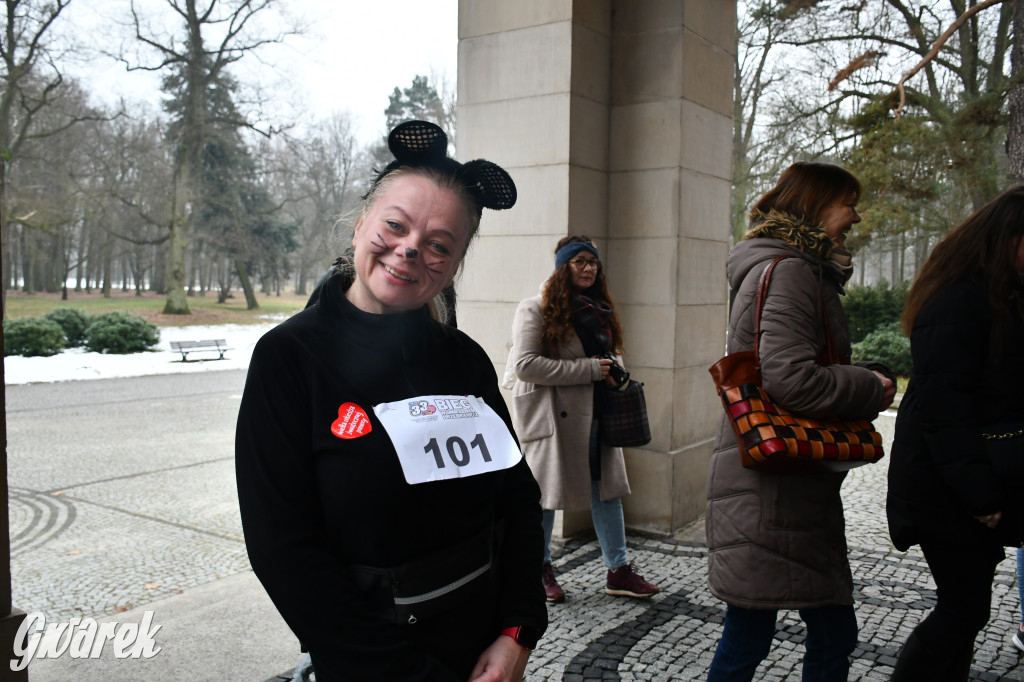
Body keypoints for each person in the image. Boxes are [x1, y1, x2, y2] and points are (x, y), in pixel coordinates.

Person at [235, 120, 547, 682]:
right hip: (370, 666)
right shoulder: (289, 359)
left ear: (453, 265)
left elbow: (517, 499)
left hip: (485, 660)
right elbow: (284, 548)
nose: (409, 250)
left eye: (438, 245)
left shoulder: (465, 361)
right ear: (359, 227)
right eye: (395, 226)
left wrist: (518, 630)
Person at [704, 161, 896, 681]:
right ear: (815, 205)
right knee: (789, 634)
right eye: (847, 203)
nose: (855, 216)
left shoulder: (789, 265)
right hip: (775, 490)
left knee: (764, 632)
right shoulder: (791, 270)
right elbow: (791, 379)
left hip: (778, 486)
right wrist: (870, 386)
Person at [886, 185, 1024, 680]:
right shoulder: (956, 301)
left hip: (968, 484)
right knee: (963, 610)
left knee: (967, 610)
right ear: (1009, 238)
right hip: (943, 489)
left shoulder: (1000, 293)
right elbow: (945, 413)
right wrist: (980, 495)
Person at [509, 235, 659, 603]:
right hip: (554, 418)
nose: (588, 268)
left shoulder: (599, 309)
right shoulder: (535, 308)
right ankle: (538, 568)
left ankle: (618, 570)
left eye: (592, 262)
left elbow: (610, 354)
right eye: (579, 261)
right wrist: (591, 369)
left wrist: (614, 369)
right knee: (545, 497)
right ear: (563, 267)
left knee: (606, 490)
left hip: (597, 412)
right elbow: (525, 366)